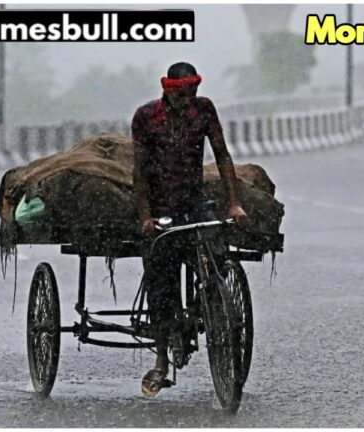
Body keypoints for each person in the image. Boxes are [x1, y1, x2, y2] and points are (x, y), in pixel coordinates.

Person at [131, 62, 247, 396]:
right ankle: (162, 358)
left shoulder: (204, 110)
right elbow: (139, 171)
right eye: (183, 93)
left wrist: (234, 202)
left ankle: (210, 302)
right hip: (160, 208)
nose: (189, 99)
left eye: (193, 92)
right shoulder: (146, 118)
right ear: (168, 90)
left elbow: (222, 154)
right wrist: (146, 216)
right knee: (161, 278)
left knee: (217, 255)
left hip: (194, 204)